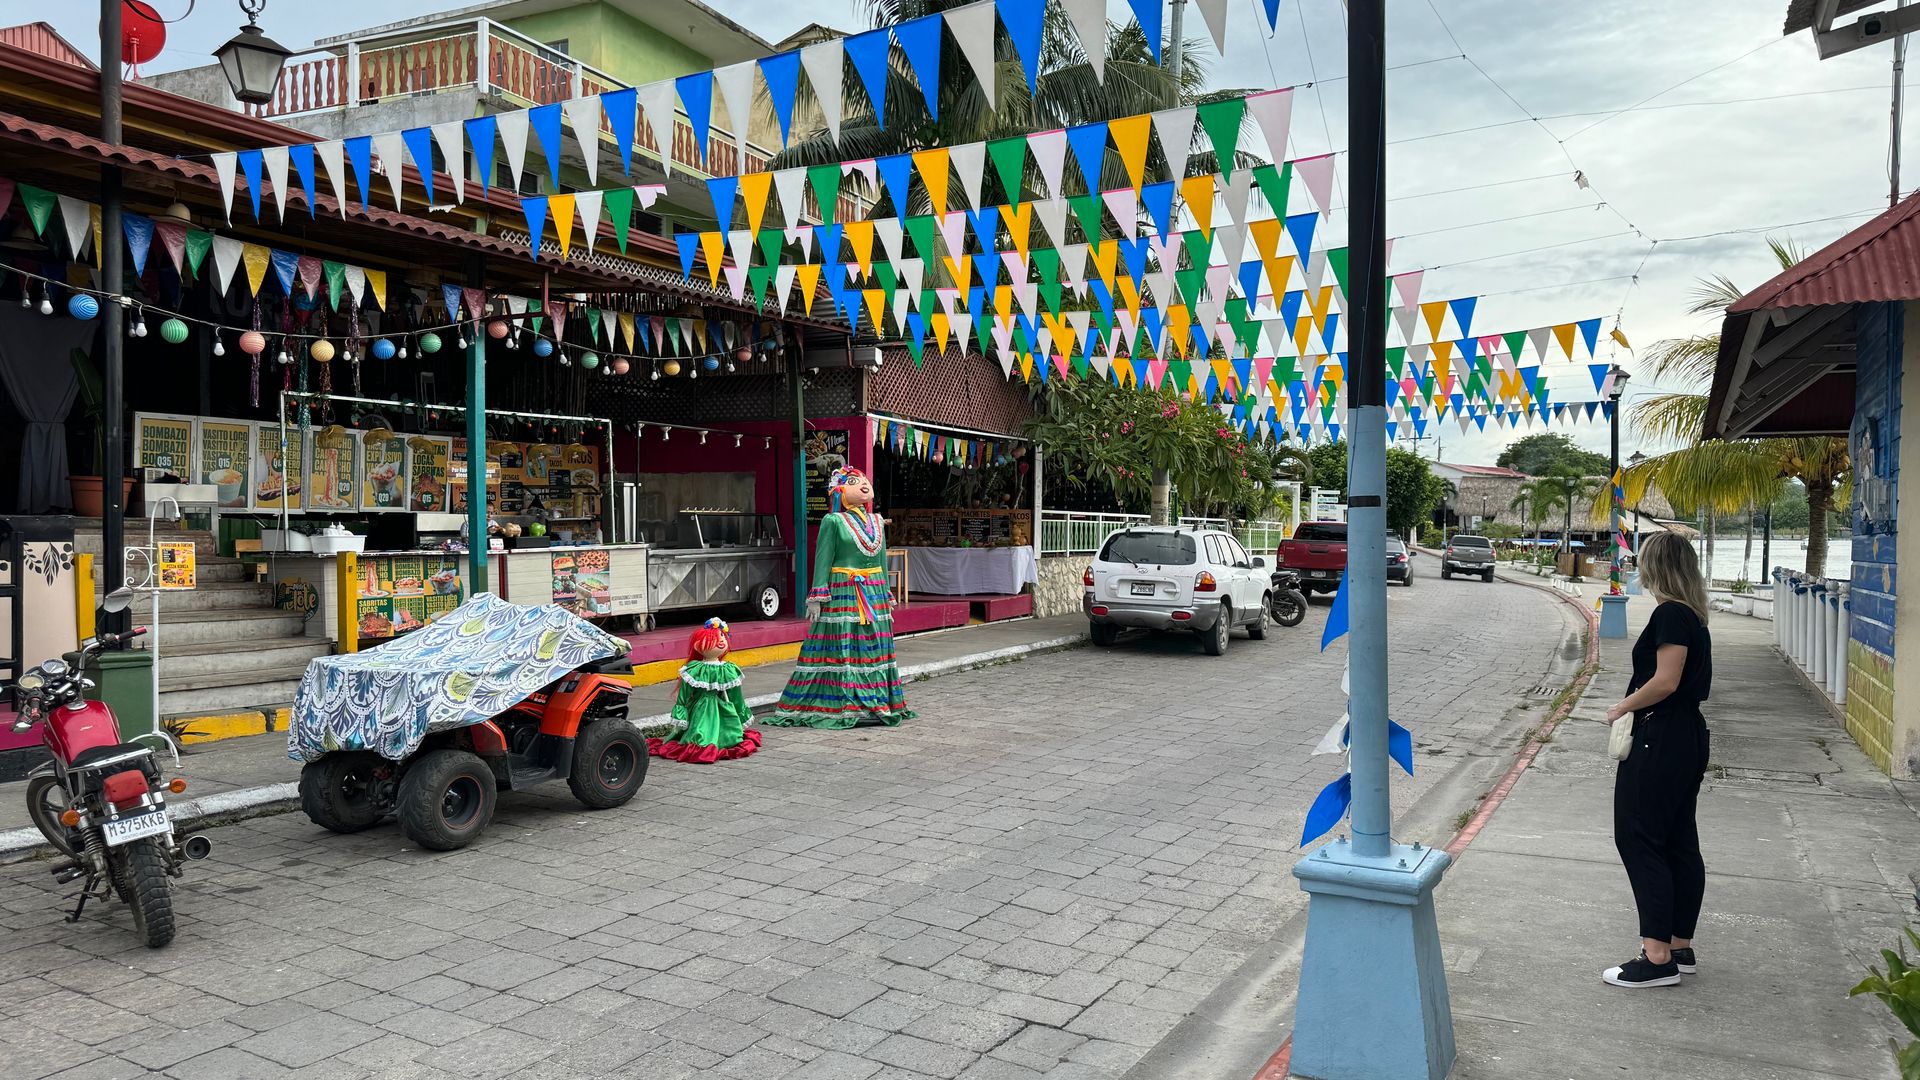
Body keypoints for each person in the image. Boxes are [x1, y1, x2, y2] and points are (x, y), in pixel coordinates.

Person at [1601, 531, 1713, 988]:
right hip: (1686, 735)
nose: (1638, 567)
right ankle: (1678, 945)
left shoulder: (1669, 614)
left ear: (1657, 566)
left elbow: (1665, 681)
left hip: (1660, 735)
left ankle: (1656, 956)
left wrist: (1623, 706)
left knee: (1638, 837)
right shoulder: (1694, 615)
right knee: (1677, 840)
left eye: (1643, 560)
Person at [766, 467, 915, 728]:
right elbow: (823, 558)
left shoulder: (877, 521)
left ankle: (876, 698)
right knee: (843, 642)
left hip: (874, 590)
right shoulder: (833, 521)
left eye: (866, 481)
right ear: (841, 492)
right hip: (843, 591)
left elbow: (880, 561)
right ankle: (842, 701)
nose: (865, 485)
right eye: (856, 482)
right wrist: (817, 595)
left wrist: (887, 596)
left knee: (873, 645)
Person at [649, 618, 762, 763]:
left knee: (728, 731)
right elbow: (684, 692)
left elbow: (735, 695)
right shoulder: (694, 669)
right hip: (700, 708)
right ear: (697, 645)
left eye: (722, 636)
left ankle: (723, 738)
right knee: (699, 731)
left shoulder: (728, 669)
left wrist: (740, 713)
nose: (721, 641)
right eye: (714, 639)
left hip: (722, 706)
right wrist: (681, 712)